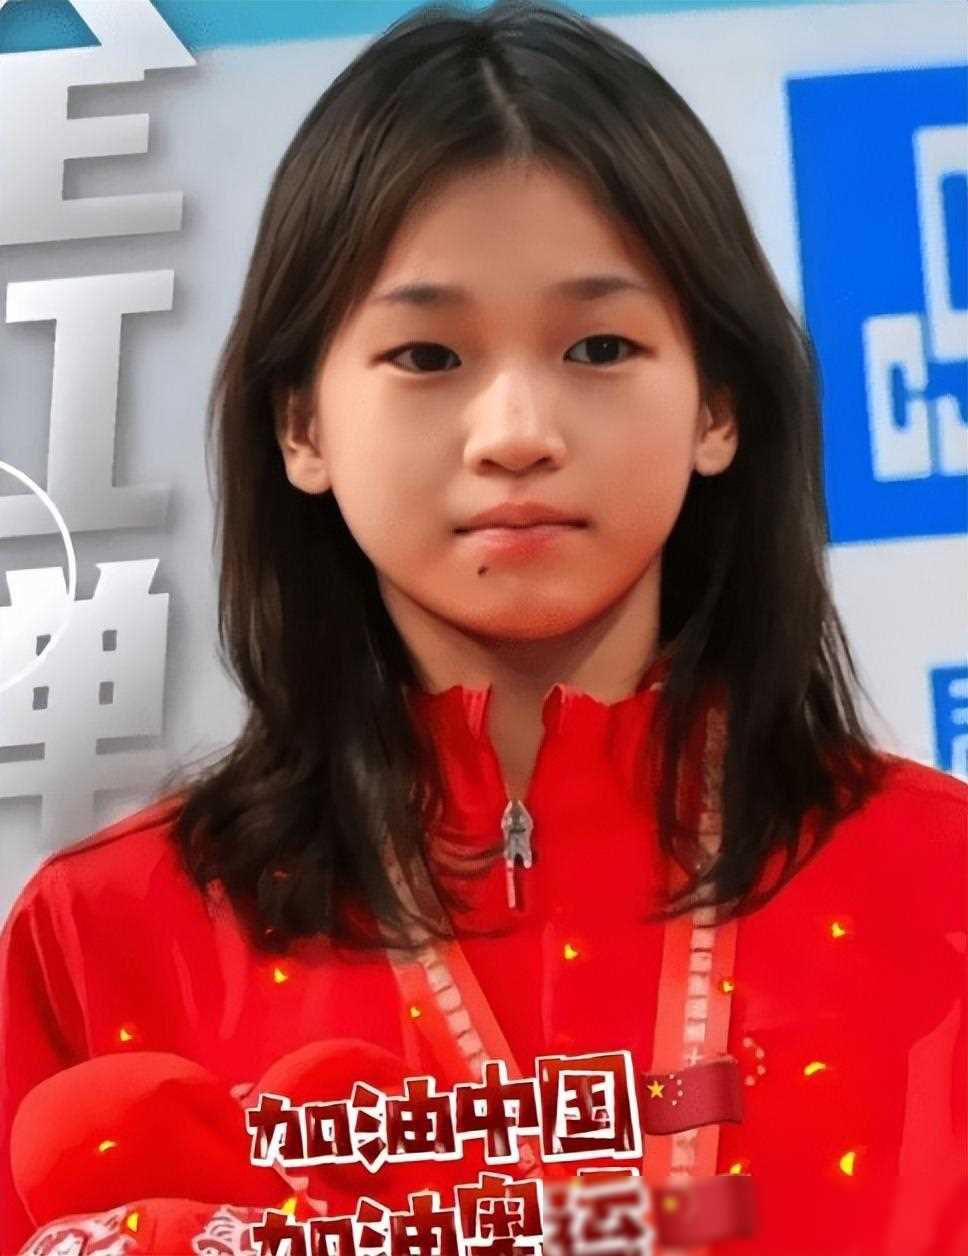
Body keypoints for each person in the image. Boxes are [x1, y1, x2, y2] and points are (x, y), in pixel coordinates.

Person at [1, 2, 965, 1253]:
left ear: (716, 406)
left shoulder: (937, 887)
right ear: (300, 424)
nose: (516, 431)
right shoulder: (105, 935)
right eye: (426, 355)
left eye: (598, 345)